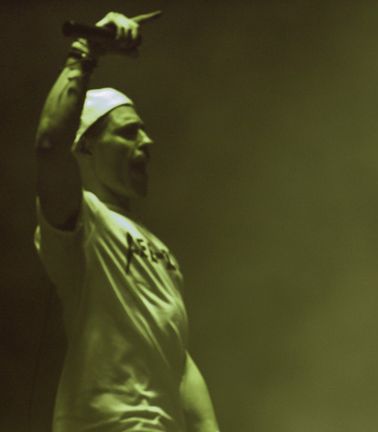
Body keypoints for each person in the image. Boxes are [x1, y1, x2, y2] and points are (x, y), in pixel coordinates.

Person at [34, 11, 219, 432]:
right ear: (86, 149)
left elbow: (178, 356)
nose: (148, 142)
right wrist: (84, 53)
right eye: (130, 132)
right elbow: (49, 144)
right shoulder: (80, 222)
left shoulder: (160, 250)